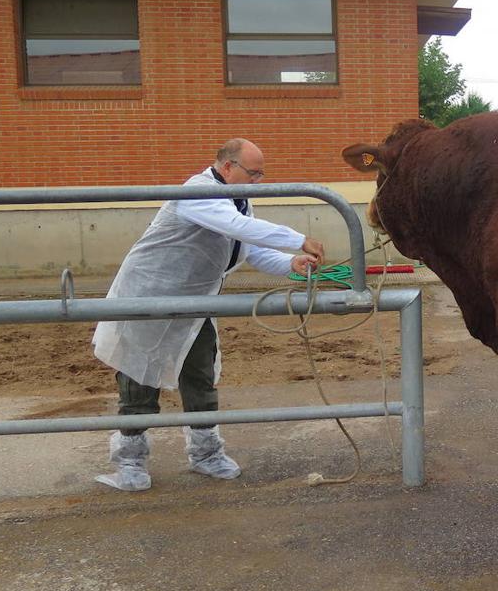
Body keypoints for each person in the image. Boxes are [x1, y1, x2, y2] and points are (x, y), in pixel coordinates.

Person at [91, 139, 324, 492]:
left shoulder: (238, 202)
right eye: (253, 173)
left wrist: (290, 263)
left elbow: (248, 248)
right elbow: (236, 228)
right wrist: (298, 239)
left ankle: (206, 454)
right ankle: (130, 460)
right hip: (149, 296)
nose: (258, 180)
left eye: (261, 174)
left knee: (200, 375)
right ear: (228, 166)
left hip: (194, 302)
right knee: (139, 379)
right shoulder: (197, 192)